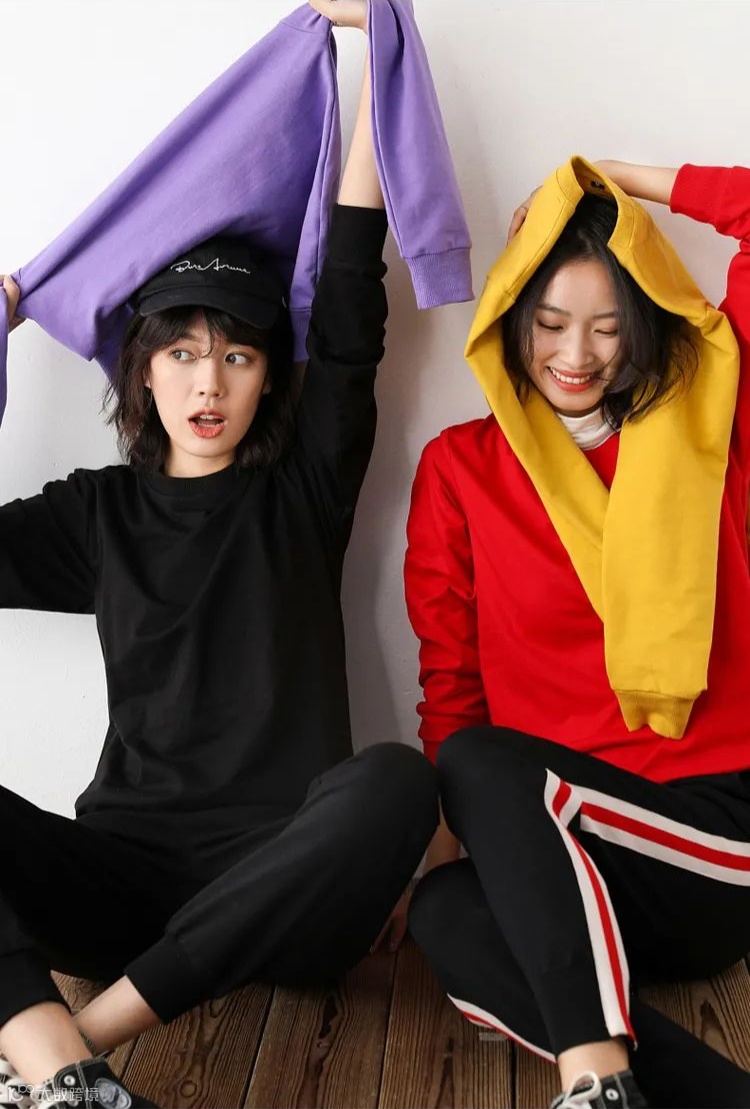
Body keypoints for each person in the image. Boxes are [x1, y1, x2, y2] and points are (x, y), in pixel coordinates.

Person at [0, 2, 438, 1105]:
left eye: (238, 355)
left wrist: (376, 40)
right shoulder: (97, 514)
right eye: (183, 353)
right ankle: (65, 1079)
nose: (208, 381)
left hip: (285, 890)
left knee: (397, 781)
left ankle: (78, 1047)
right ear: (141, 368)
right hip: (123, 882)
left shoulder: (306, 483)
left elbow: (351, 287)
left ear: (270, 375)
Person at [404, 156, 750, 1109]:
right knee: (444, 908)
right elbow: (451, 675)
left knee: (482, 763)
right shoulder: (460, 468)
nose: (577, 354)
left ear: (644, 322)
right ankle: (620, 1085)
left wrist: (613, 179)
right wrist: (457, 841)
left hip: (708, 839)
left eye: (607, 325)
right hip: (565, 866)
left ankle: (595, 1074)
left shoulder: (716, 428)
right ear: (510, 320)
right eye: (551, 322)